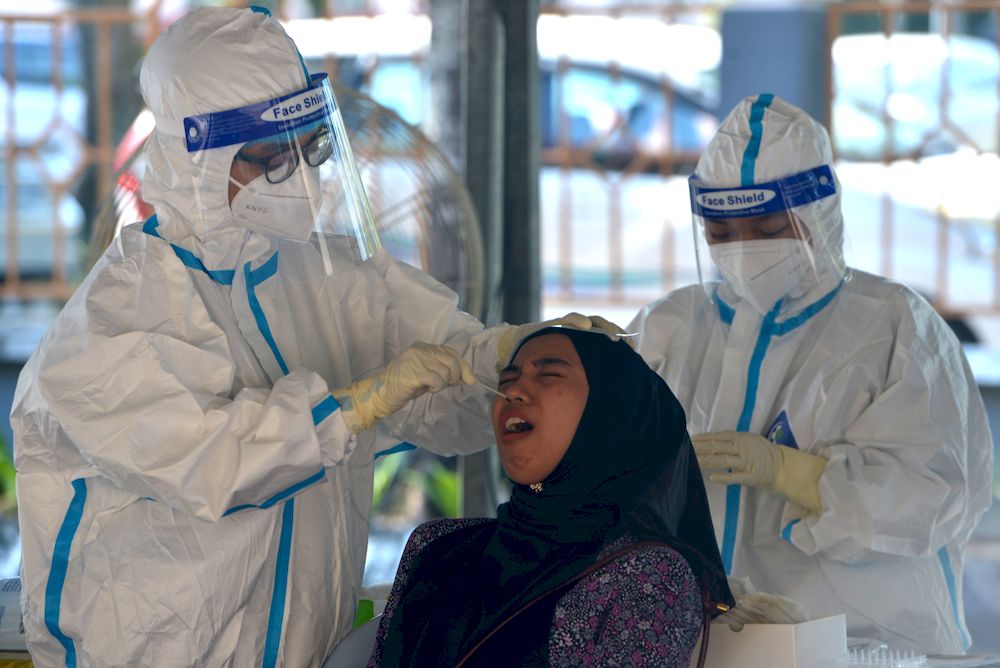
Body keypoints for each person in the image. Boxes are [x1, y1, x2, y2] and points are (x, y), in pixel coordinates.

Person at [9, 7, 616, 666]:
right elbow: (212, 463)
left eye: (311, 148)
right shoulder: (113, 320)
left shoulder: (332, 280)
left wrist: (511, 359)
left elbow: (450, 398)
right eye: (272, 157)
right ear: (197, 158)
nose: (300, 177)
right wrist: (353, 408)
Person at [629, 93, 993, 654]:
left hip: (866, 644)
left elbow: (935, 497)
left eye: (768, 228)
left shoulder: (894, 326)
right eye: (721, 234)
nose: (743, 250)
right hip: (706, 641)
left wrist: (794, 474)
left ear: (818, 214)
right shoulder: (670, 327)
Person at [367, 327, 734, 667]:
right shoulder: (437, 545)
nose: (513, 391)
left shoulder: (647, 575)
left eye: (549, 375)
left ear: (609, 408)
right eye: (506, 379)